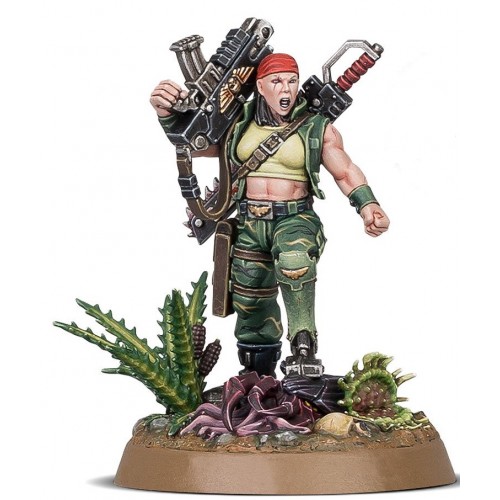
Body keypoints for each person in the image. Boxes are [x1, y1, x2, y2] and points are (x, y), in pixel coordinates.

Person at [150, 53, 390, 378]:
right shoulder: (238, 121)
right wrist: (167, 114)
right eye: (277, 81)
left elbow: (345, 170)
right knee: (249, 294)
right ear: (260, 86)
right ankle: (257, 372)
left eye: (292, 80)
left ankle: (304, 346)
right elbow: (197, 143)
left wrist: (367, 204)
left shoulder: (316, 127)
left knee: (294, 263)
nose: (286, 88)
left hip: (294, 219)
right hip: (249, 222)